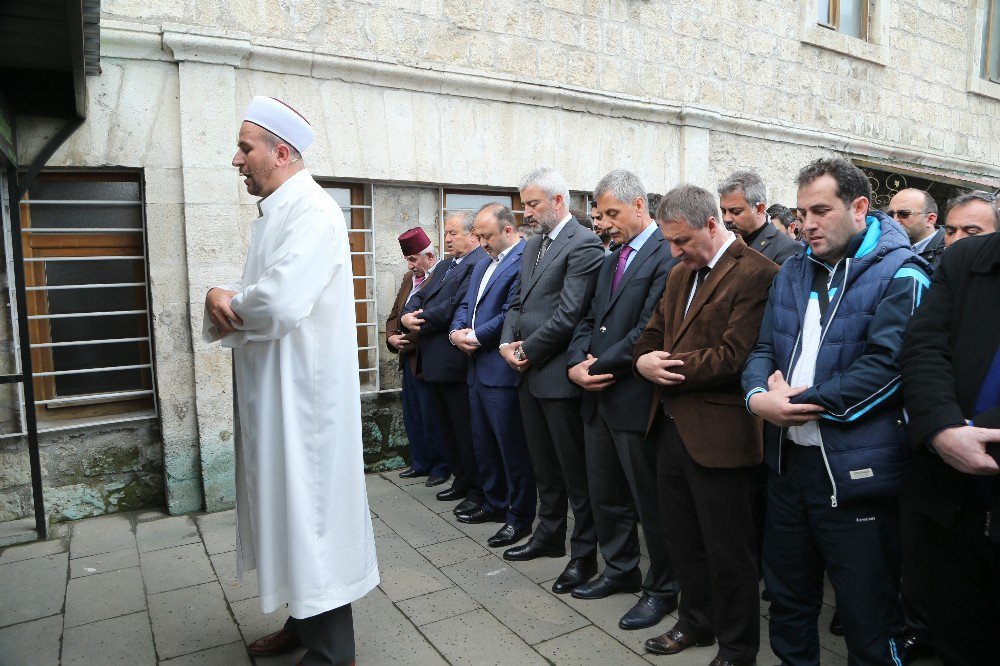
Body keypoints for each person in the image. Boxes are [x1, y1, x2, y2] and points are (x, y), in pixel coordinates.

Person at [204, 96, 378, 665]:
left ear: (281, 153)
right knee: (288, 514)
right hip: (280, 395)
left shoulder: (312, 211)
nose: (237, 160)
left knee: (312, 520)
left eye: (245, 148)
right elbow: (266, 290)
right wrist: (225, 296)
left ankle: (332, 652)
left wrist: (224, 298)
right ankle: (305, 623)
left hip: (305, 406)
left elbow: (276, 303)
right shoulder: (280, 210)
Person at [742, 157, 930, 666]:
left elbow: (890, 369)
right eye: (802, 212)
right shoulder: (794, 268)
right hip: (787, 469)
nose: (806, 224)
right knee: (788, 600)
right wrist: (758, 398)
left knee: (869, 617)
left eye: (821, 210)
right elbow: (763, 349)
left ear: (860, 207)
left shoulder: (903, 272)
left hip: (855, 472)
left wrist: (798, 403)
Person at [634, 184, 778, 665]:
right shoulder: (679, 274)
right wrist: (641, 363)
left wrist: (663, 369)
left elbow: (735, 356)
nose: (674, 252)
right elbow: (651, 334)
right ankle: (696, 622)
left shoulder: (758, 273)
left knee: (729, 550)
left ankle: (738, 648)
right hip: (669, 427)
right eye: (669, 242)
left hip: (721, 437)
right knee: (681, 540)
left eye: (681, 241)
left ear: (713, 224)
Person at [567, 169, 680, 631]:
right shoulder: (611, 256)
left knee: (648, 502)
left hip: (634, 398)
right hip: (596, 399)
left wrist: (596, 367)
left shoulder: (664, 256)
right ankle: (620, 570)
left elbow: (648, 329)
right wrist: (575, 361)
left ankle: (663, 589)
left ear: (639, 206)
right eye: (600, 214)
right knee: (606, 494)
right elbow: (588, 316)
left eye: (612, 213)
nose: (605, 223)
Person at [499, 167, 604, 596]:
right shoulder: (533, 246)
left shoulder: (584, 244)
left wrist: (527, 350)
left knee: (574, 472)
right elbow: (518, 302)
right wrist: (507, 342)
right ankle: (548, 535)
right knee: (544, 466)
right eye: (524, 204)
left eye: (533, 203)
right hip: (528, 373)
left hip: (558, 376)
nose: (526, 212)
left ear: (558, 201)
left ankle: (583, 556)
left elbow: (570, 313)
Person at [899, 231, 1000, 666]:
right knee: (956, 640)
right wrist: (941, 428)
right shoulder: (968, 259)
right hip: (950, 502)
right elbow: (923, 346)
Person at [449, 203, 536, 546]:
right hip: (476, 368)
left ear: (508, 230)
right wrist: (456, 330)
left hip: (501, 368)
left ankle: (519, 516)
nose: (481, 243)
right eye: (478, 236)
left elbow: (510, 312)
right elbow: (466, 305)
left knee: (511, 448)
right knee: (483, 443)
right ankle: (495, 502)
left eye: (487, 236)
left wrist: (476, 336)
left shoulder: (523, 260)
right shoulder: (484, 263)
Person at [401, 212, 489, 518]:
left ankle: (477, 488)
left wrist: (418, 322)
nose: (447, 238)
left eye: (453, 233)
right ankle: (461, 479)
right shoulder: (446, 265)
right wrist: (405, 315)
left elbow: (453, 306)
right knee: (448, 429)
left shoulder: (478, 263)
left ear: (472, 235)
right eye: (446, 233)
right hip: (434, 363)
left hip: (455, 362)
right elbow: (419, 294)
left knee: (466, 430)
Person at [386, 228, 449, 486]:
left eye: (414, 260)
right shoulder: (406, 279)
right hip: (406, 359)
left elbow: (435, 319)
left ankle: (440, 467)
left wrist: (407, 341)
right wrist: (391, 337)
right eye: (408, 260)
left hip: (427, 358)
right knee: (412, 414)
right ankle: (420, 462)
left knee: (432, 415)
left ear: (430, 256)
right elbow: (394, 314)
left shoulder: (442, 277)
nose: (411, 266)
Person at [718, 170, 800, 265]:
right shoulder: (724, 246)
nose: (726, 219)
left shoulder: (788, 249)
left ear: (759, 209)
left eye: (736, 212)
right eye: (723, 211)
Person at [886, 188, 945, 270]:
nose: (894, 221)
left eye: (904, 214)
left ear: (930, 219)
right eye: (890, 215)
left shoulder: (949, 254)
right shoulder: (884, 244)